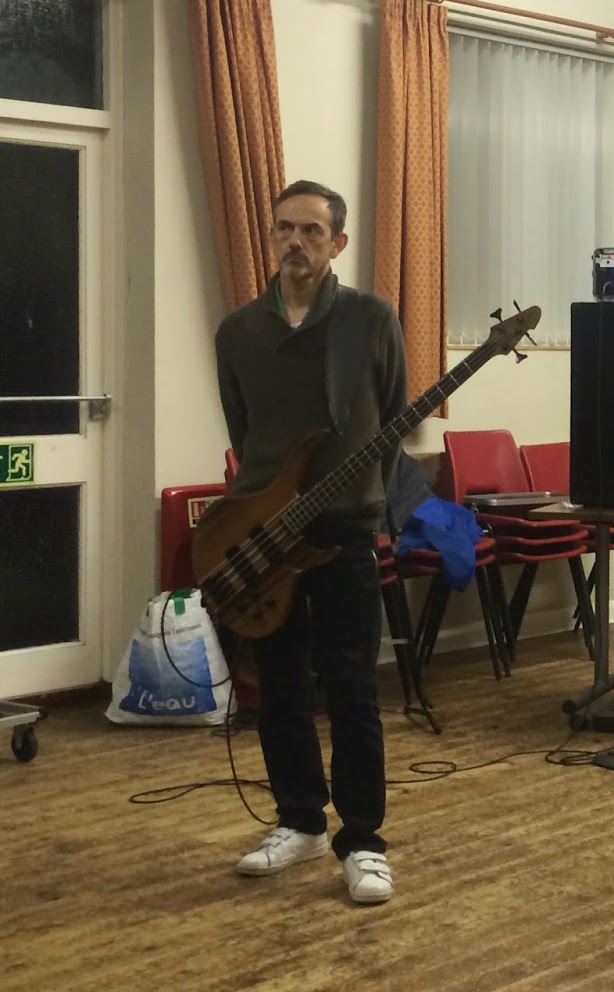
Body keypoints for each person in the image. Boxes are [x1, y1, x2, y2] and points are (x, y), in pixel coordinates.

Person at [213, 180, 408, 905]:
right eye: (284, 228)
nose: (294, 241)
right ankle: (300, 820)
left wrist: (359, 499)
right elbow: (243, 430)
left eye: (311, 231)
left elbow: (394, 416)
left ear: (338, 243)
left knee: (352, 687)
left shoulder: (370, 318)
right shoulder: (238, 331)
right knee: (280, 686)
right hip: (267, 534)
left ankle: (363, 839)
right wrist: (271, 504)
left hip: (346, 529)